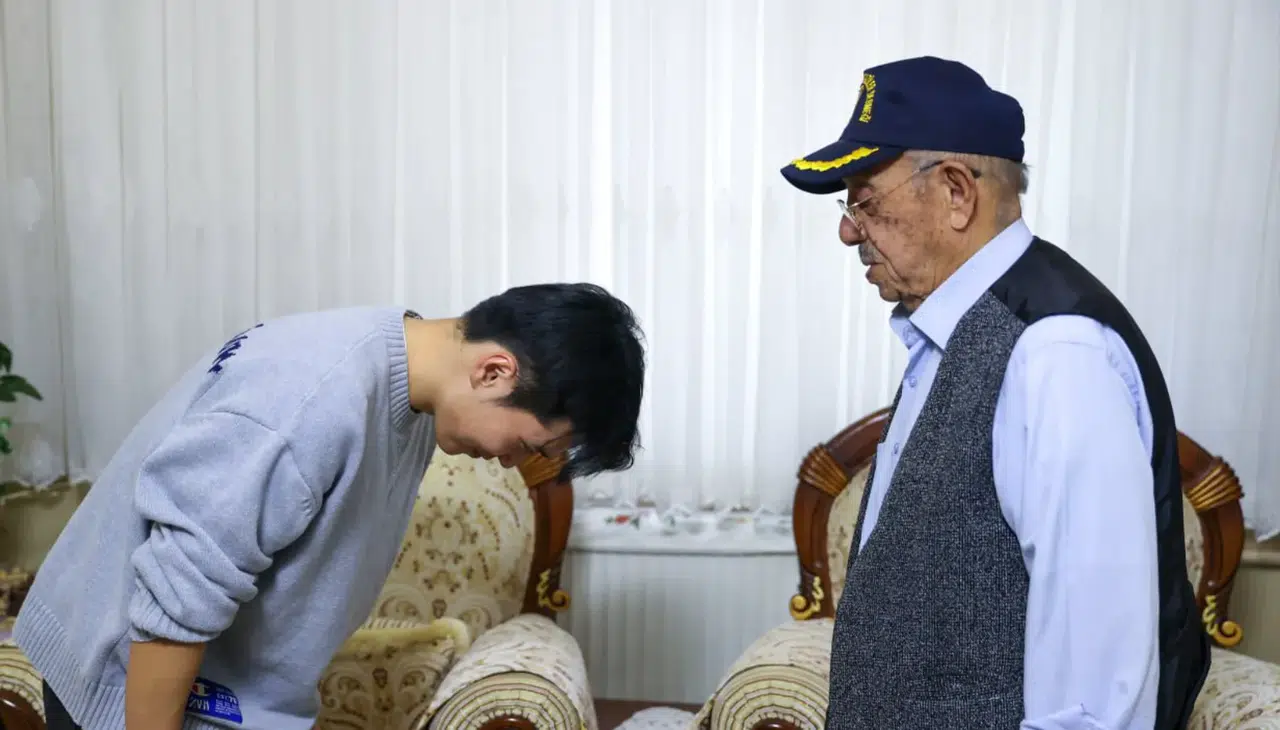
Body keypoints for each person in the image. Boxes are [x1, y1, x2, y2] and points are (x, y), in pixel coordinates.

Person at [780, 56, 1208, 730]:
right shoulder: (959, 330)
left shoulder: (1055, 353)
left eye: (865, 201)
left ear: (956, 192)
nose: (847, 229)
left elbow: (1095, 696)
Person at [15, 282, 646, 730]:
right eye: (532, 445)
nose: (512, 464)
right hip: (129, 692)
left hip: (222, 698)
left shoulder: (405, 380)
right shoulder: (313, 397)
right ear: (494, 372)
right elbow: (177, 599)